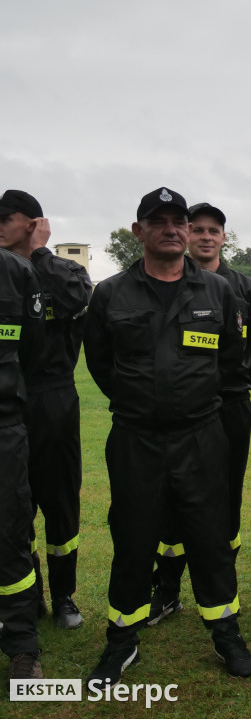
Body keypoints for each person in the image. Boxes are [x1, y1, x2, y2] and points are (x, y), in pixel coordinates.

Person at [83, 187, 251, 686]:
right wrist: (139, 402)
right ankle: (121, 641)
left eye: (178, 221)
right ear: (139, 231)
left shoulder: (218, 292)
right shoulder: (111, 293)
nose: (172, 229)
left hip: (201, 436)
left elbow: (230, 366)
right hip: (135, 438)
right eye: (158, 221)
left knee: (210, 537)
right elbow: (100, 361)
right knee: (133, 537)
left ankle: (225, 633)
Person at [148, 202, 251, 624]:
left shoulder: (246, 289)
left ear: (223, 237)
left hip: (231, 408)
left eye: (213, 230)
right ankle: (167, 589)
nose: (204, 236)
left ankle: (223, 585)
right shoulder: (166, 283)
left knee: (227, 499)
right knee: (172, 502)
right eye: (196, 229)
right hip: (181, 412)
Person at [0, 190, 91, 631]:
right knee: (13, 502)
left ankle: (64, 595)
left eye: (6, 218)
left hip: (51, 396)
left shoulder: (62, 269)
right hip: (6, 399)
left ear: (34, 222)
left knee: (59, 499)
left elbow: (76, 300)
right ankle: (27, 590)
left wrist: (39, 252)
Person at [0, 244, 45, 679]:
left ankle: (23, 649)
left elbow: (32, 348)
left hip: (3, 425)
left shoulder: (17, 272)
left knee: (10, 533)